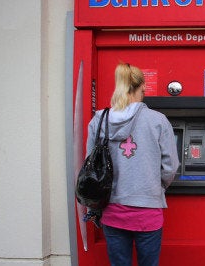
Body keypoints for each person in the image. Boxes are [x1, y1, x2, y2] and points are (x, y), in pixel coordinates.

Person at [86, 63, 180, 266]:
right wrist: (156, 187)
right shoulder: (158, 120)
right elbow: (171, 166)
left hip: (112, 211)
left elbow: (90, 166)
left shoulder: (99, 121)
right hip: (148, 212)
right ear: (142, 87)